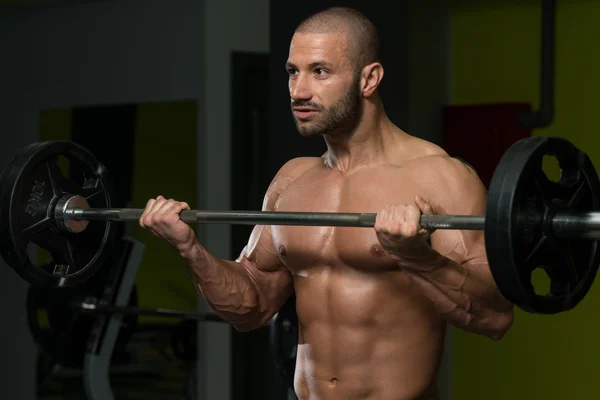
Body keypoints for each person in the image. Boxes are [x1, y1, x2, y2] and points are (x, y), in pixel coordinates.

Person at [139, 7, 515, 400]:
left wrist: (415, 256)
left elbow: (494, 318)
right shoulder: (292, 180)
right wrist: (189, 249)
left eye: (319, 71)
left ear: (369, 78)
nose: (299, 90)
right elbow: (250, 307)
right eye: (292, 71)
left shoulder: (440, 178)